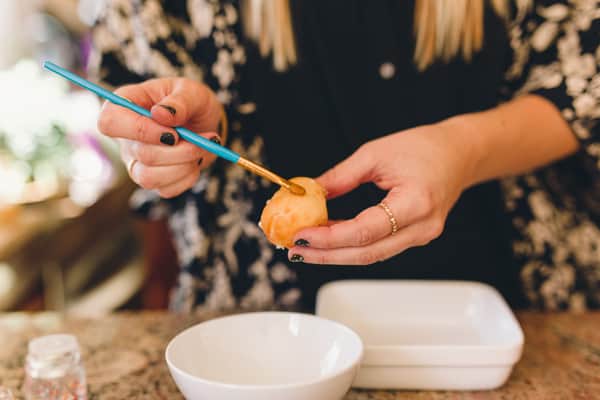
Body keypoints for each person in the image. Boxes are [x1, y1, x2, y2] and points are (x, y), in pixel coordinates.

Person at [91, 0, 600, 313]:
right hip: (261, 330)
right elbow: (138, 78)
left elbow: (584, 79)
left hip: (514, 313)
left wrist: (465, 150)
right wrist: (179, 131)